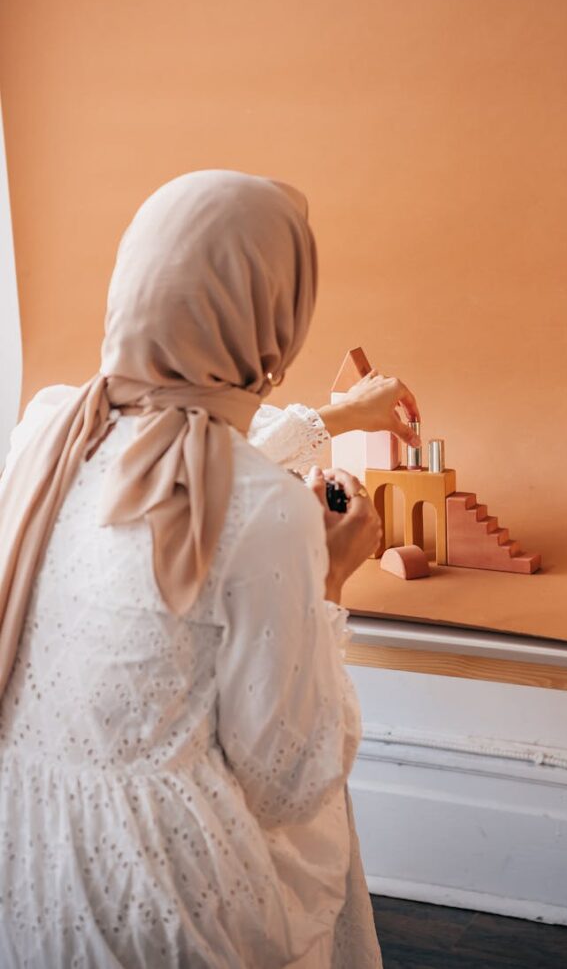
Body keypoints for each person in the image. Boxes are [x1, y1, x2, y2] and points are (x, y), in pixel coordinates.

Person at [0, 170, 419, 968]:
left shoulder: (50, 430)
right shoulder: (266, 510)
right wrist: (328, 581)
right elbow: (291, 779)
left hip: (24, 866)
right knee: (318, 836)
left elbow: (182, 474)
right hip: (163, 898)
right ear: (275, 315)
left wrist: (336, 417)